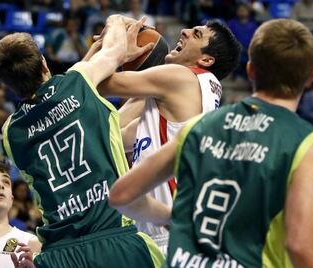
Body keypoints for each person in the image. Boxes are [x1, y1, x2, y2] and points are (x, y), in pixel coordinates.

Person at [110, 19, 313, 267]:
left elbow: (121, 193)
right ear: (311, 77)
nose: (185, 32)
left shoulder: (205, 126)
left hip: (180, 250)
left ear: (250, 71)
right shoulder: (304, 142)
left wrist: (114, 43)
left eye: (196, 33)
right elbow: (301, 243)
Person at [0, 15, 166, 268]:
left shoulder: (10, 132)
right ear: (44, 64)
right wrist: (115, 21)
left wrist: (91, 57)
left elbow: (54, 104)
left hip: (59, 255)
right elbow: (113, 52)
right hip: (115, 239)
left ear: (7, 84)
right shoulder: (78, 82)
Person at [95, 18, 241, 253]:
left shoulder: (180, 78)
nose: (183, 31)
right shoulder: (188, 96)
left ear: (206, 59)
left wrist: (116, 48)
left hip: (167, 233)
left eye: (196, 34)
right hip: (174, 233)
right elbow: (114, 137)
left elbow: (98, 83)